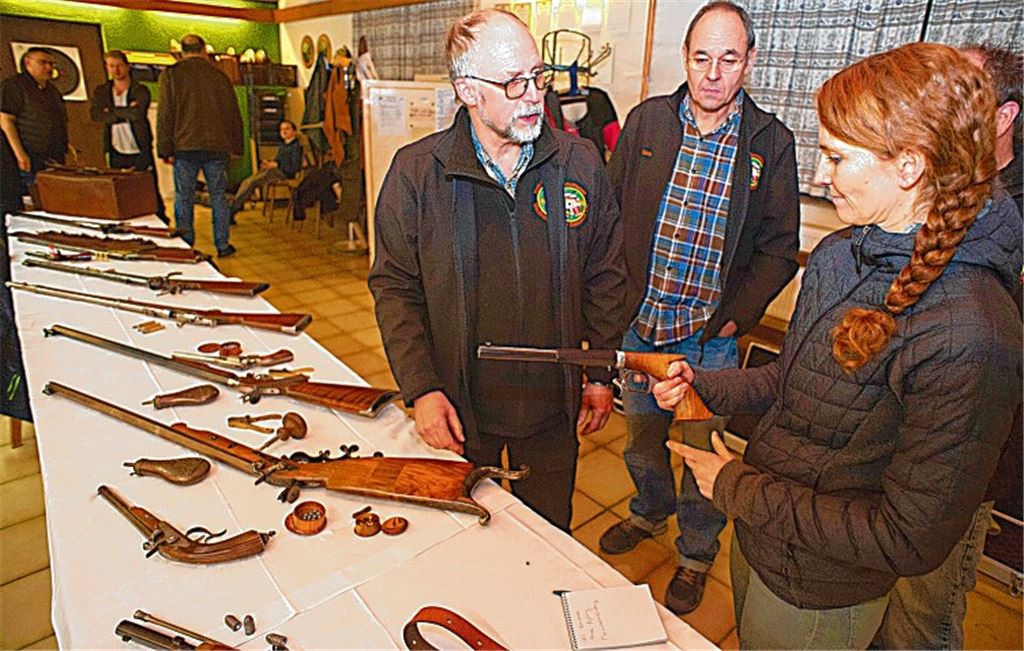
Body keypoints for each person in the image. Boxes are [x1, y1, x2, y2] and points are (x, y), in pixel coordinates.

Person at [652, 43, 1022, 649]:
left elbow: (909, 537)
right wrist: (702, 381)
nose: (820, 176)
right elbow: (788, 381)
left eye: (836, 157)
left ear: (909, 165)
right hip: (765, 537)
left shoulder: (972, 332)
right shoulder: (839, 254)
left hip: (823, 586)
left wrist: (735, 486)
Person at [368, 8, 625, 532]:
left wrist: (598, 373)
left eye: (538, 76)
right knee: (463, 533)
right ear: (467, 90)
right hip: (461, 404)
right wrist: (420, 387)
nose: (534, 95)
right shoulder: (416, 174)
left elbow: (606, 276)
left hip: (553, 406)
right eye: (512, 83)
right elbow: (394, 287)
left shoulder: (580, 165)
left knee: (551, 534)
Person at [600, 0, 799, 615]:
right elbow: (607, 214)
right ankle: (648, 511)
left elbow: (778, 249)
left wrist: (732, 320)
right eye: (701, 57)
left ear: (749, 62)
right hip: (641, 332)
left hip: (707, 344)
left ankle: (694, 553)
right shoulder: (646, 123)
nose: (713, 73)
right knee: (639, 444)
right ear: (684, 58)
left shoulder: (770, 142)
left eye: (729, 58)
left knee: (701, 458)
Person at [871, 43, 1024, 651]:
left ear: (1002, 118)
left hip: (963, 460)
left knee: (922, 617)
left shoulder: (1007, 215)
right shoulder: (929, 188)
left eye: (955, 94)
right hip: (897, 434)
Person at [157, 34, 243, 258]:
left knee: (184, 197)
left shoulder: (172, 75)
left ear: (181, 51)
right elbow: (233, 114)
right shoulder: (219, 76)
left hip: (184, 145)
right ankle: (223, 245)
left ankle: (187, 246)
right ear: (204, 50)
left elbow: (166, 114)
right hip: (217, 145)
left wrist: (164, 148)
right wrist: (236, 146)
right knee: (219, 198)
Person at [90, 50, 168, 224]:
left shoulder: (139, 89)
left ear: (127, 66)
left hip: (139, 146)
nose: (115, 70)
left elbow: (137, 113)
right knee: (120, 189)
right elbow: (96, 114)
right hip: (115, 147)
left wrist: (111, 112)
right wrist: (124, 112)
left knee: (148, 188)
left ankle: (160, 221)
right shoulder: (102, 91)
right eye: (111, 66)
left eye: (119, 66)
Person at [0, 47, 68, 214]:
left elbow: (59, 122)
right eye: (43, 63)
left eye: (51, 63)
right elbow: (6, 120)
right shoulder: (14, 86)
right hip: (25, 153)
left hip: (51, 154)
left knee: (50, 199)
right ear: (28, 62)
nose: (48, 68)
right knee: (25, 201)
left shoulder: (51, 90)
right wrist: (19, 153)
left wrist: (66, 145)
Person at [230, 120, 303, 217]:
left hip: (283, 173)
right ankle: (234, 206)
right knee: (247, 182)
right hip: (275, 170)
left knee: (251, 183)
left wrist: (277, 165)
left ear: (294, 131)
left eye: (287, 129)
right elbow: (278, 160)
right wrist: (269, 163)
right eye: (281, 129)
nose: (284, 132)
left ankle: (232, 208)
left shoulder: (296, 147)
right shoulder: (283, 146)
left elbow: (295, 167)